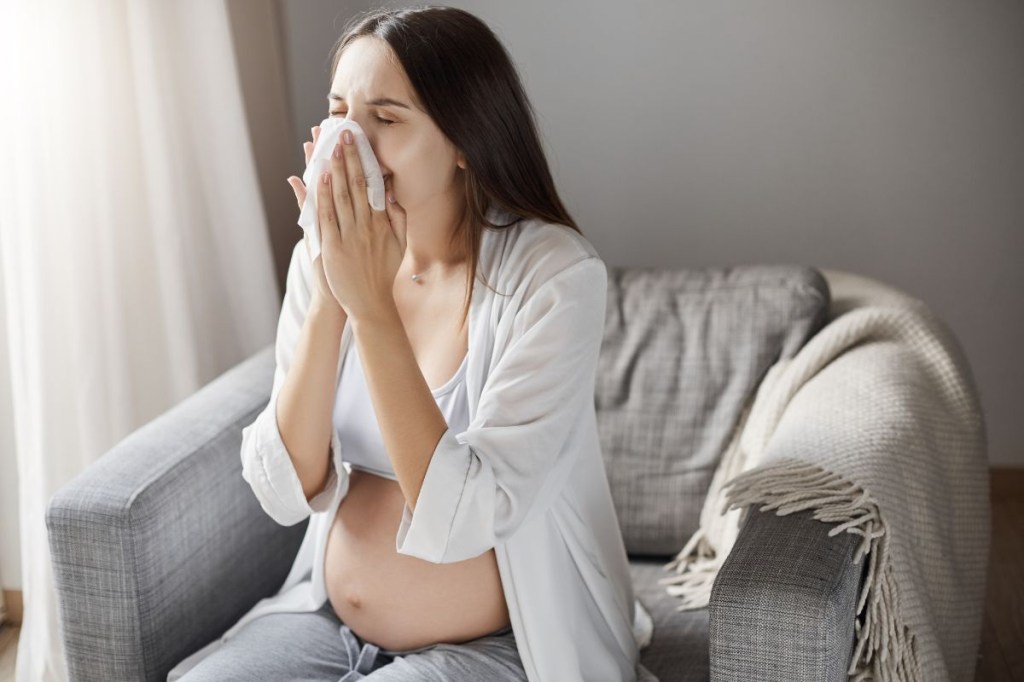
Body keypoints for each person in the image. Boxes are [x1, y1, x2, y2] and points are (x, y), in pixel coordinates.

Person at [168, 5, 653, 681]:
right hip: (330, 622)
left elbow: (467, 517)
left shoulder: (556, 279)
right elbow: (281, 488)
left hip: (505, 642)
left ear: (464, 140)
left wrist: (373, 311)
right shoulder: (325, 257)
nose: (348, 142)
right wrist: (336, 290)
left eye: (385, 119)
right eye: (339, 110)